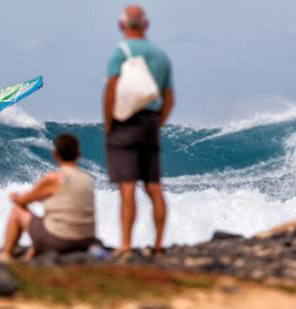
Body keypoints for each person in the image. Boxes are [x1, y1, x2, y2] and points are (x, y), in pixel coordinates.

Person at [103, 5, 175, 255]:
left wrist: (110, 125)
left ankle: (125, 244)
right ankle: (158, 245)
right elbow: (170, 99)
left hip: (126, 123)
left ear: (122, 26)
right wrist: (158, 123)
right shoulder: (161, 57)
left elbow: (111, 91)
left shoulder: (120, 52)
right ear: (146, 25)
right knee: (154, 185)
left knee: (128, 186)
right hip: (151, 122)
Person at [0, 133, 97, 260]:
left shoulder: (55, 178)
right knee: (52, 216)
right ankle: (32, 252)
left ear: (55, 155)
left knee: (17, 210)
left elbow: (24, 200)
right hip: (87, 240)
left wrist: (14, 197)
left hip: (61, 241)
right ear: (78, 154)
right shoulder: (87, 178)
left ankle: (6, 255)